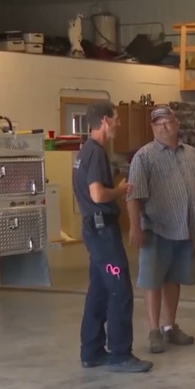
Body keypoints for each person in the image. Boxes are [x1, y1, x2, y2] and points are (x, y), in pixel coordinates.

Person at [126, 106, 195, 354]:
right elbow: (133, 196)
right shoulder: (144, 157)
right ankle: (154, 331)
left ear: (176, 123)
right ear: (152, 128)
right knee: (153, 280)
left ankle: (169, 327)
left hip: (184, 228)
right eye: (157, 124)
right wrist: (135, 226)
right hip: (156, 228)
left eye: (167, 122)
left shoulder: (191, 154)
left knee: (174, 279)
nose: (163, 127)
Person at [72, 101, 153, 373]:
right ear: (105, 121)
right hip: (102, 232)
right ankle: (120, 354)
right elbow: (97, 194)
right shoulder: (95, 153)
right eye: (116, 119)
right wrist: (120, 191)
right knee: (119, 289)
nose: (118, 123)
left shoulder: (84, 152)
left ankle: (92, 351)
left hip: (94, 230)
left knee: (99, 290)